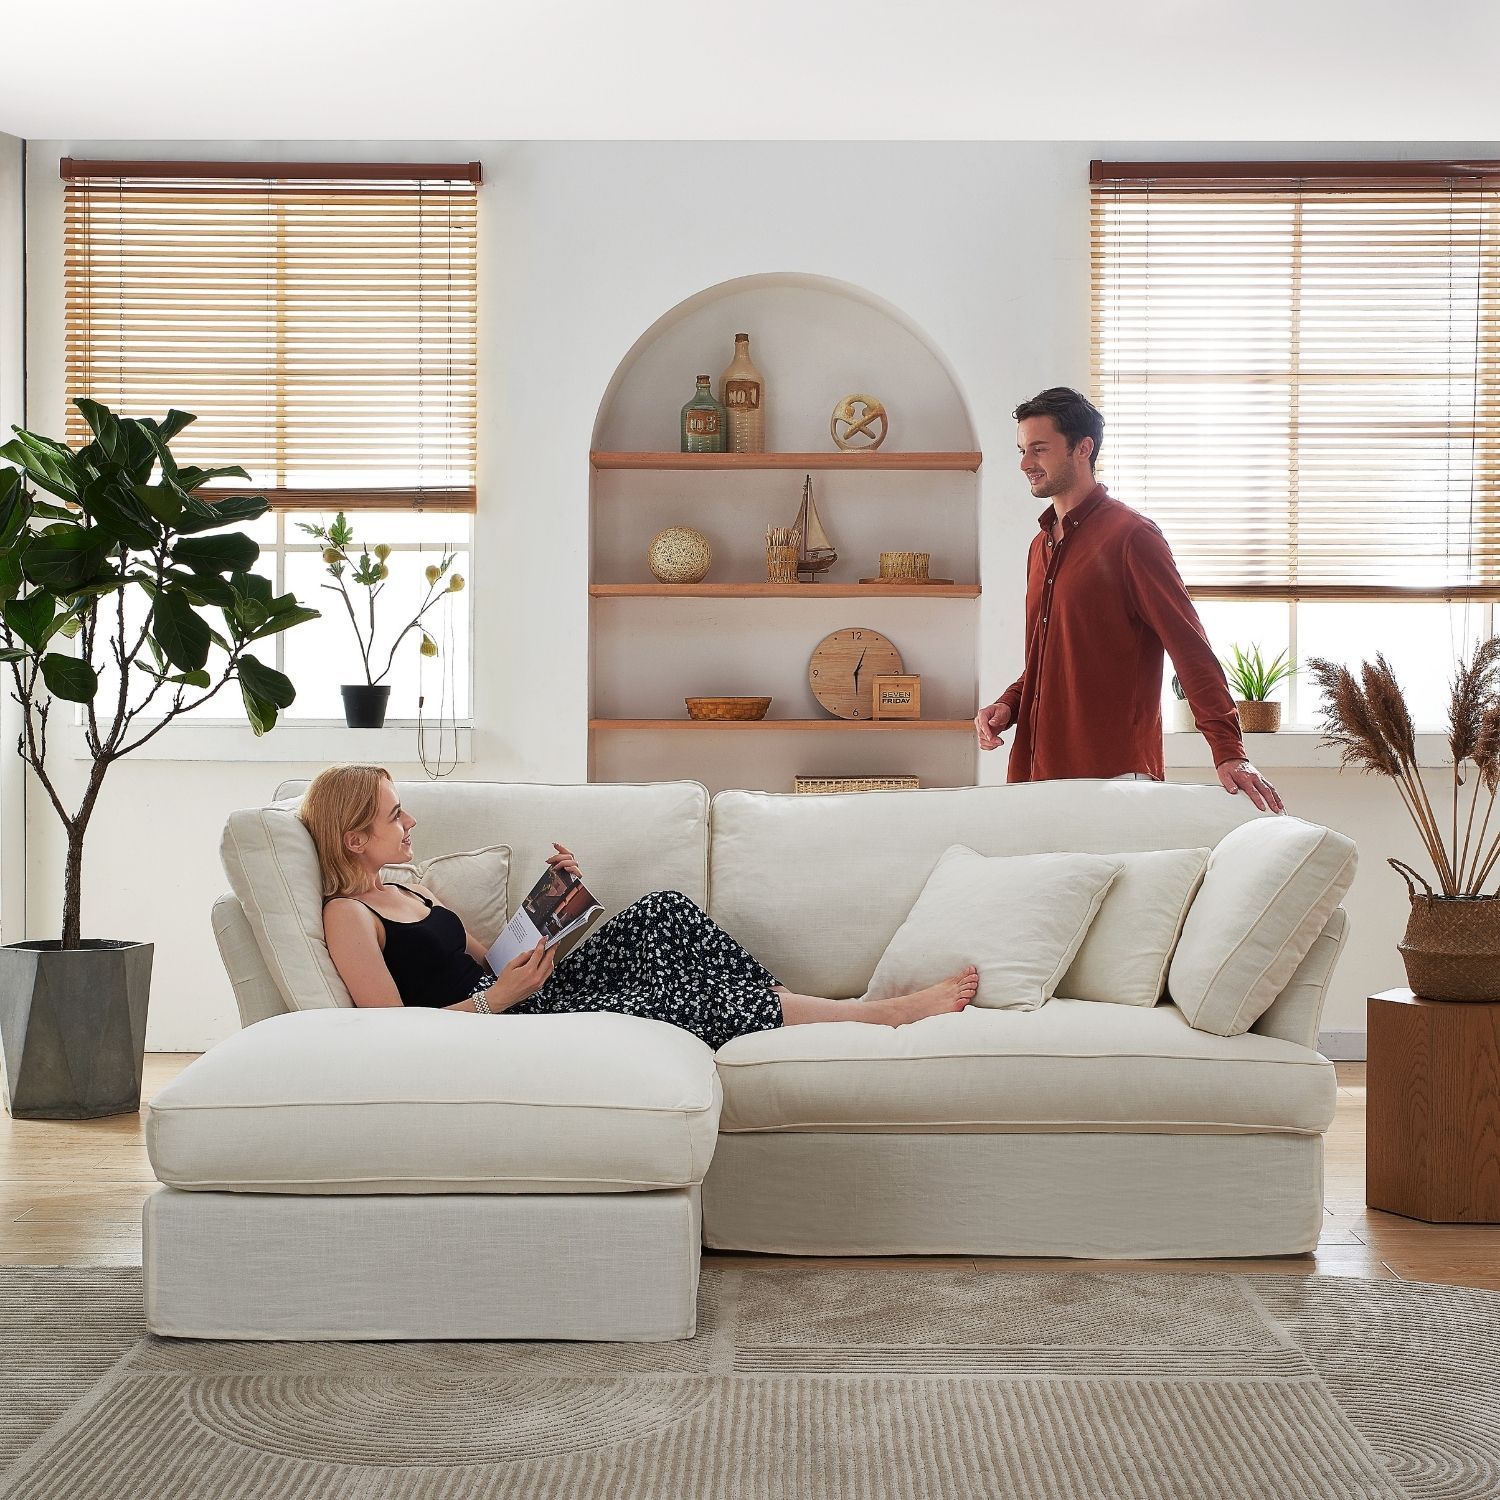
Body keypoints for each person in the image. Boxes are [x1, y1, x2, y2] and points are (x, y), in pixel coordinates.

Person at [301, 765, 979, 1045]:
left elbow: (495, 958)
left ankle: (797, 1004)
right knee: (681, 992)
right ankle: (872, 1016)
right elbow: (387, 1036)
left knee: (664, 910)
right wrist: (500, 1000)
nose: (410, 822)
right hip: (502, 1029)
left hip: (526, 995)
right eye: (395, 816)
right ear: (354, 838)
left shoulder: (412, 885)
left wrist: (555, 901)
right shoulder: (349, 916)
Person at [974, 386, 1284, 814]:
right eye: (1023, 450)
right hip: (1036, 776)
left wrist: (1229, 751)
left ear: (1083, 448)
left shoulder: (1132, 537)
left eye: (1039, 449)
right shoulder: (1039, 547)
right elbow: (1054, 658)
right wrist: (1009, 704)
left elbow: (1190, 648)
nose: (1026, 463)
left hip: (1112, 779)